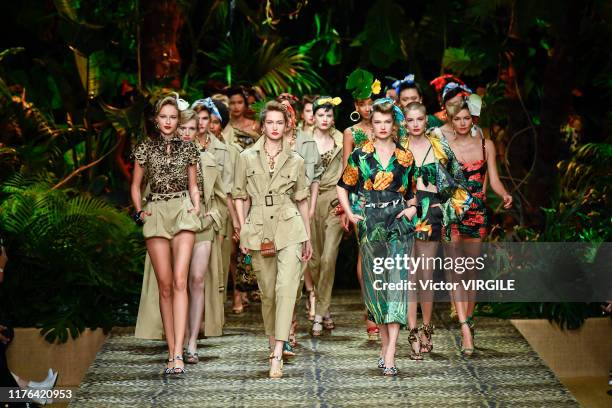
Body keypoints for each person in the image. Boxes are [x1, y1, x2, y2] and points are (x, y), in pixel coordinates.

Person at [232, 101, 313, 379]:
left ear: (286, 125)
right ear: (262, 125)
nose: (275, 127)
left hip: (289, 224)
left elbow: (302, 200)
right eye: (270, 123)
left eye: (280, 123)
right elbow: (239, 196)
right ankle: (273, 341)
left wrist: (308, 237)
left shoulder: (297, 160)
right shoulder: (245, 157)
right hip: (257, 225)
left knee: (287, 287)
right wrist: (242, 230)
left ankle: (277, 351)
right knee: (268, 293)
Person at [337, 98, 416, 376]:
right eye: (377, 122)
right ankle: (384, 346)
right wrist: (351, 212)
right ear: (372, 126)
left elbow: (412, 191)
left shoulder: (405, 156)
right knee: (377, 287)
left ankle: (392, 351)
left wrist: (412, 209)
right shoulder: (360, 155)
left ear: (394, 126)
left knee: (397, 284)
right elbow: (342, 186)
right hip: (370, 223)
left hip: (397, 224)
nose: (382, 126)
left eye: (387, 122)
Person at [131, 94, 201, 374]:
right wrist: (139, 211)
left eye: (173, 117)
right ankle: (171, 351)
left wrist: (196, 206)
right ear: (156, 120)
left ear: (178, 120)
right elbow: (136, 185)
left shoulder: (189, 149)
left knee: (181, 281)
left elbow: (194, 184)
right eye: (164, 117)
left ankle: (179, 353)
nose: (169, 122)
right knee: (165, 285)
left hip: (183, 208)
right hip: (157, 209)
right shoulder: (145, 149)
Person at [402, 102, 471, 360]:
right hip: (406, 212)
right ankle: (412, 332)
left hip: (431, 209)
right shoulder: (400, 149)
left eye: (420, 119)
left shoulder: (439, 146)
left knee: (425, 275)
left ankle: (427, 328)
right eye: (411, 120)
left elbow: (460, 181)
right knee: (409, 275)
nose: (416, 124)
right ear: (405, 123)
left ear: (426, 121)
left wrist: (448, 209)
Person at [444, 101, 513, 356]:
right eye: (457, 119)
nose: (462, 122)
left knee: (470, 272)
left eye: (466, 118)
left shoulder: (486, 145)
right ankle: (464, 330)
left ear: (472, 119)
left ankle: (469, 320)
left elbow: (493, 178)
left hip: (477, 212)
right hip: (452, 212)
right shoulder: (445, 147)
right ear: (451, 122)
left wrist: (504, 194)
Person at [179, 108, 227, 364]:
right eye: (182, 128)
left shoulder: (207, 159)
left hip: (202, 225)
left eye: (191, 128)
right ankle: (180, 337)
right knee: (179, 282)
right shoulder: (165, 158)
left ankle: (192, 343)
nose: (187, 133)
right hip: (174, 226)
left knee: (197, 279)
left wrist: (211, 218)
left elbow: (221, 197)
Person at [342, 68, 379, 340]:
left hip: (388, 196)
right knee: (366, 253)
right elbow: (346, 169)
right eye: (362, 104)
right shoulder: (351, 132)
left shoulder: (387, 127)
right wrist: (345, 206)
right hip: (360, 198)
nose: (367, 108)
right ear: (356, 106)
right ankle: (371, 311)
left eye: (371, 103)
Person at [308, 96, 344, 336]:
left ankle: (318, 315)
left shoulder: (341, 140)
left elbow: (348, 171)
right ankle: (325, 307)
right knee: (313, 259)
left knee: (329, 258)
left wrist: (345, 202)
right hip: (308, 201)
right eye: (321, 115)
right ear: (313, 116)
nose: (325, 119)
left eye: (329, 115)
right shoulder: (303, 141)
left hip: (334, 199)